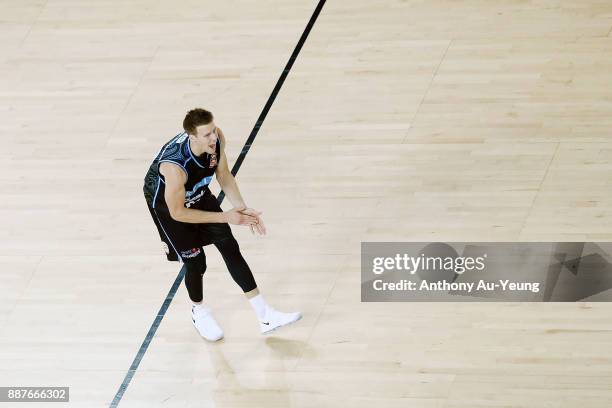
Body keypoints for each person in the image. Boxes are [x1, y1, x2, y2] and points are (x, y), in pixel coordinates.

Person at [143, 108, 301, 341]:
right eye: (206, 135)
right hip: (168, 207)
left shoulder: (216, 141)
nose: (213, 137)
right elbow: (178, 212)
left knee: (229, 245)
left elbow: (224, 175)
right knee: (196, 262)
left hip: (196, 192)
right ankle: (199, 310)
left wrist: (241, 208)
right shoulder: (174, 167)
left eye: (213, 131)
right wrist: (225, 216)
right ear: (192, 136)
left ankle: (265, 315)